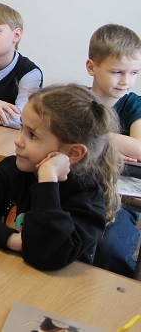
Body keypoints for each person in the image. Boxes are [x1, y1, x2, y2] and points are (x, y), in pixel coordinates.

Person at [0, 84, 122, 271]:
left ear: (73, 153)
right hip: (4, 272)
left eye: (32, 135)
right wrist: (10, 239)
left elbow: (46, 254)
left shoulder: (86, 197)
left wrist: (48, 180)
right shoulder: (13, 170)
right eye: (21, 128)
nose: (17, 140)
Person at [86, 24, 141, 277]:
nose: (126, 81)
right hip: (77, 191)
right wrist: (117, 143)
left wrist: (95, 137)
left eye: (134, 73)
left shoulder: (133, 104)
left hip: (119, 203)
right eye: (117, 72)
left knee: (108, 249)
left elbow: (139, 149)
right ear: (91, 67)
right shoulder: (76, 100)